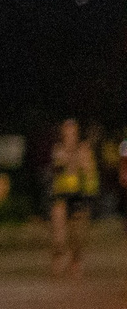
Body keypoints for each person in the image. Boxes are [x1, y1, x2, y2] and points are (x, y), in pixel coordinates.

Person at [47, 117, 95, 278]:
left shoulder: (84, 150)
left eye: (73, 133)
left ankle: (76, 260)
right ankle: (59, 257)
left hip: (79, 196)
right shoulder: (58, 149)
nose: (70, 137)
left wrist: (80, 161)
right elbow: (58, 167)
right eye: (66, 133)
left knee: (77, 236)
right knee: (58, 232)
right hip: (61, 195)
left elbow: (88, 170)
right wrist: (68, 159)